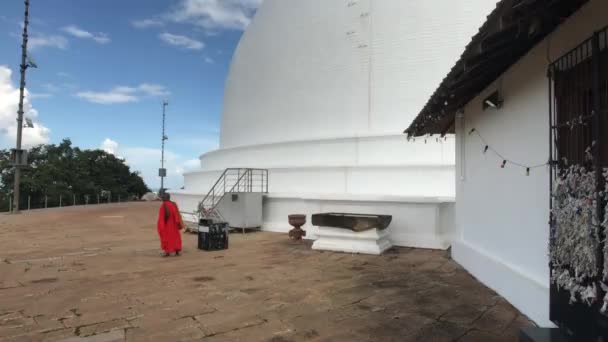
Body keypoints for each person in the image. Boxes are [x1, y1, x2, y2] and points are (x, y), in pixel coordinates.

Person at [157, 193, 183, 257]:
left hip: (167, 225)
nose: (162, 199)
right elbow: (177, 215)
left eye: (163, 197)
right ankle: (177, 251)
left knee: (167, 238)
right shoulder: (173, 204)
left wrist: (162, 225)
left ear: (166, 198)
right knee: (176, 237)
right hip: (174, 225)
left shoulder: (164, 205)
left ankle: (167, 252)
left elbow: (164, 216)